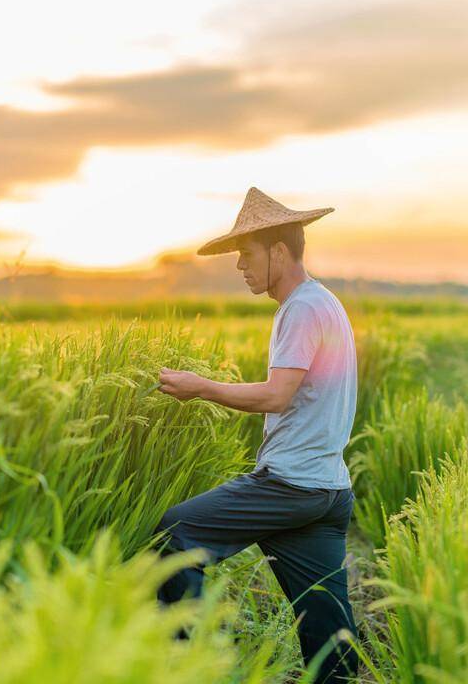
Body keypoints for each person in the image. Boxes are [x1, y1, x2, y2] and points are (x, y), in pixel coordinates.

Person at [153, 186, 360, 683]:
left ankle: (198, 669)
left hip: (289, 485)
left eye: (247, 255)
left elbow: (276, 395)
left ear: (280, 252)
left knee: (172, 535)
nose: (240, 266)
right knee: (327, 628)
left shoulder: (301, 308)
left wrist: (200, 387)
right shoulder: (324, 302)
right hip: (328, 490)